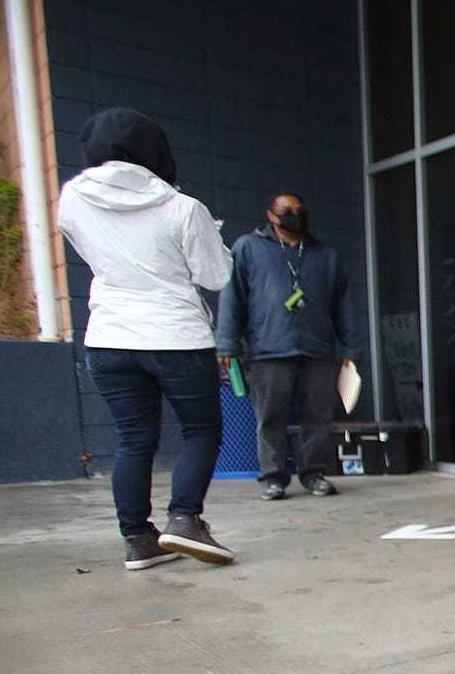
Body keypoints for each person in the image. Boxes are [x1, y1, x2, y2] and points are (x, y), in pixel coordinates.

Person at [60, 108, 236, 569]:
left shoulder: (73, 198)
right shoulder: (183, 208)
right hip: (175, 334)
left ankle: (138, 539)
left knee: (133, 438)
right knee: (201, 430)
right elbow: (215, 276)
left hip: (109, 336)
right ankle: (185, 520)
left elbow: (90, 251)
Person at [217, 192, 360, 499]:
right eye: (287, 211)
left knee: (318, 418)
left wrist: (350, 348)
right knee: (271, 417)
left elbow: (343, 305)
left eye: (299, 210)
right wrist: (227, 344)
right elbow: (232, 298)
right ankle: (273, 477)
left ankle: (314, 473)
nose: (295, 216)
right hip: (268, 347)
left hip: (317, 348)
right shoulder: (249, 248)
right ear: (271, 215)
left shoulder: (326, 255)